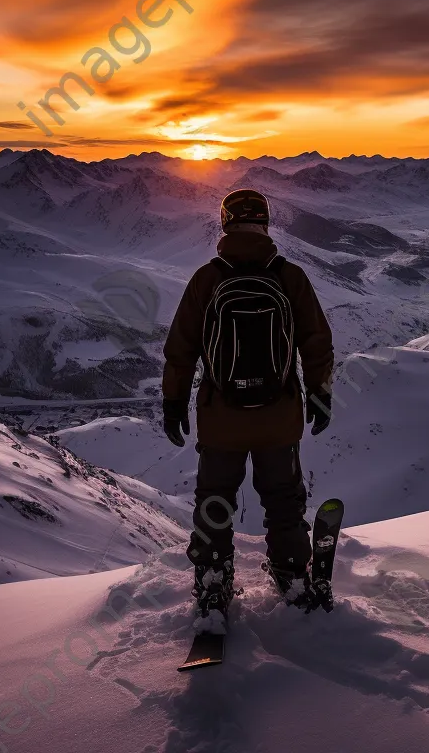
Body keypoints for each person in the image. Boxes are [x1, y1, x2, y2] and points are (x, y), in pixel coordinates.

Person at [160, 188, 335, 617]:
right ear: (266, 223)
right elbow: (316, 343)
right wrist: (320, 393)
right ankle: (292, 573)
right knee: (283, 498)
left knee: (215, 498)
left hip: (222, 419)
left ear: (225, 223)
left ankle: (214, 578)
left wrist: (174, 401)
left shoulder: (208, 278)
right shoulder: (289, 277)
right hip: (280, 416)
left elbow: (180, 348)